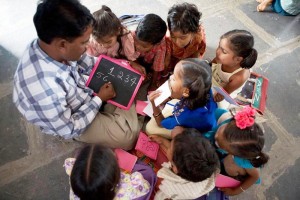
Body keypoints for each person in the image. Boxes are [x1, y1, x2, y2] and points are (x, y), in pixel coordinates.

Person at [12, 0, 141, 150]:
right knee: (127, 138)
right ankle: (122, 110)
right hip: (74, 119)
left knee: (128, 81)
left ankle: (120, 110)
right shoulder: (44, 90)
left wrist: (122, 68)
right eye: (84, 43)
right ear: (62, 44)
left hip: (82, 93)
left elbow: (91, 63)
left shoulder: (53, 45)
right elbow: (70, 128)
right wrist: (99, 99)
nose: (88, 47)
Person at [203, 106, 269, 196]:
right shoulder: (224, 117)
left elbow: (255, 176)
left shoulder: (242, 160)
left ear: (234, 154)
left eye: (218, 143)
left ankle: (236, 174)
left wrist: (236, 191)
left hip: (235, 163)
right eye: (218, 133)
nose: (215, 137)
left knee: (230, 167)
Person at [146, 58, 217, 139]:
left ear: (186, 92)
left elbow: (161, 123)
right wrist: (171, 95)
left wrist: (154, 104)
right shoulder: (203, 88)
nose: (170, 77)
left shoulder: (184, 116)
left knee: (149, 128)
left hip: (197, 134)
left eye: (174, 78)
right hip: (209, 121)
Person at [149, 128, 220, 199]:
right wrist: (162, 141)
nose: (169, 145)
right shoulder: (207, 166)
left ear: (175, 169)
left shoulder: (169, 189)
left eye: (170, 147)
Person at [65, 145, 156, 200]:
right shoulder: (133, 187)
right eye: (115, 159)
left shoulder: (75, 176)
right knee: (149, 173)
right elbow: (145, 187)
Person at [211, 29, 258, 108]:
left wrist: (213, 96)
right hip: (212, 79)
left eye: (224, 51)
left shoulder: (239, 76)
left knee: (218, 108)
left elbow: (221, 95)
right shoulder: (220, 57)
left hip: (222, 90)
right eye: (219, 46)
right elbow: (210, 65)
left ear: (238, 59)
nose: (217, 51)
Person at [162, 3, 206, 81]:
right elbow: (167, 58)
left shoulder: (199, 40)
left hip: (189, 56)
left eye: (183, 37)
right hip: (173, 56)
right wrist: (164, 74)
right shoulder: (167, 38)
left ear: (194, 32)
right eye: (173, 37)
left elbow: (195, 57)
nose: (177, 43)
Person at [132, 14, 167, 91]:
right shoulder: (132, 35)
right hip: (133, 59)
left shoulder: (160, 47)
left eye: (144, 46)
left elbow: (157, 66)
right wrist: (134, 63)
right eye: (137, 42)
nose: (138, 47)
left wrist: (153, 83)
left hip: (148, 62)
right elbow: (126, 55)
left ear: (156, 44)